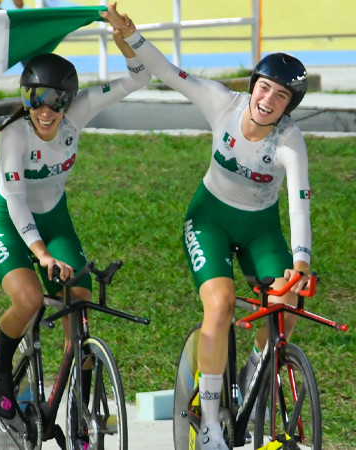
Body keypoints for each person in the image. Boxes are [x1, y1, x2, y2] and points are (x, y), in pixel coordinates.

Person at [103, 4, 313, 449]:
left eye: (280, 96)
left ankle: (255, 371)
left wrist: (300, 261)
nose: (267, 100)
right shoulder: (223, 102)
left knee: (286, 304)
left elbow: (299, 200)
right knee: (218, 306)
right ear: (253, 85)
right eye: (264, 87)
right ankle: (214, 419)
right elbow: (171, 73)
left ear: (289, 106)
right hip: (210, 218)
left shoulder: (289, 139)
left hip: (261, 227)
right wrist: (133, 36)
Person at [0, 30, 151, 421]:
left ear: (69, 102)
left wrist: (125, 38)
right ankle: (0, 369)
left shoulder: (80, 112)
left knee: (79, 304)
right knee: (29, 300)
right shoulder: (13, 135)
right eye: (36, 99)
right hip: (8, 221)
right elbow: (17, 200)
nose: (46, 110)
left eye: (57, 101)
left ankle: (80, 408)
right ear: (25, 99)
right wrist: (40, 253)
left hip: (56, 221)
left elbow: (140, 75)